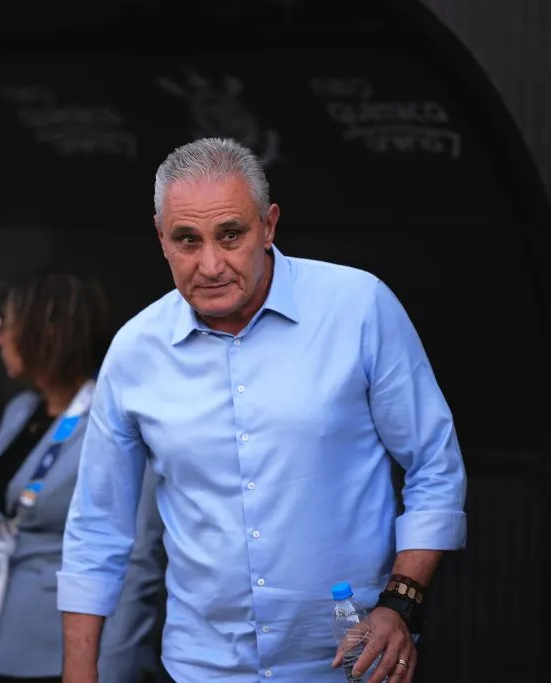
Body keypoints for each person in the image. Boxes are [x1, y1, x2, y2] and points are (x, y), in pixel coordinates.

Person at [58, 137, 468, 683]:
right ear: (161, 240)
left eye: (230, 234)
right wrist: (78, 675)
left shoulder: (359, 307)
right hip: (202, 669)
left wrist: (401, 603)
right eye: (187, 240)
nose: (210, 264)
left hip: (351, 667)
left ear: (269, 225)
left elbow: (435, 466)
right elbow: (96, 530)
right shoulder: (135, 352)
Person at [0, 266, 163, 683]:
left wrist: (108, 671)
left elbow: (137, 561)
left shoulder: (115, 421)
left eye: (5, 323)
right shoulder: (20, 412)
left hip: (60, 655)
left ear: (45, 330)